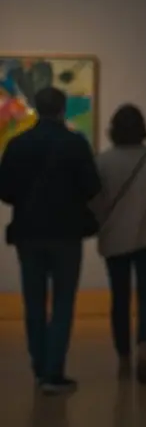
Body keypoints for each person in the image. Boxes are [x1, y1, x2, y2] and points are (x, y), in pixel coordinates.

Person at [0, 86, 102, 395]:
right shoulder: (75, 144)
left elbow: (4, 190)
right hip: (66, 234)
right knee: (62, 302)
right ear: (62, 109)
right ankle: (53, 372)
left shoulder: (18, 144)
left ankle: (39, 365)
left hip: (28, 233)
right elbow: (92, 187)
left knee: (33, 300)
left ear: (36, 107)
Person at [92, 104, 146, 385]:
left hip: (114, 240)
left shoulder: (102, 162)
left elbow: (94, 203)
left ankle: (124, 359)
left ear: (113, 129)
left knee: (119, 299)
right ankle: (145, 354)